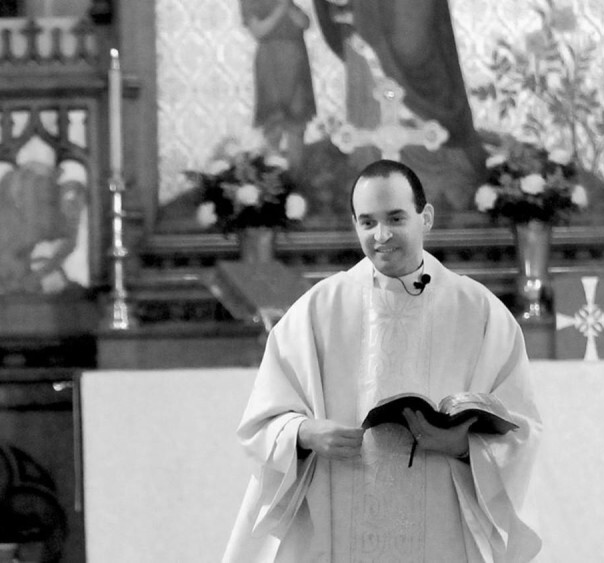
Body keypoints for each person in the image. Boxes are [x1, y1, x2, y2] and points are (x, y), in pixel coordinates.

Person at [223, 159, 541, 562]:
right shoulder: (319, 308)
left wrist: (463, 445)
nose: (382, 235)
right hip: (342, 511)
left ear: (426, 217)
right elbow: (261, 421)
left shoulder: (478, 311)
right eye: (368, 222)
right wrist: (306, 432)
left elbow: (522, 428)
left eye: (395, 218)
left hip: (442, 521)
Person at [312, 0, 489, 212]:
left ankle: (427, 181)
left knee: (413, 50)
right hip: (363, 28)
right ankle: (373, 178)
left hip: (400, 14)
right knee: (371, 113)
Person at [241, 0, 316, 180]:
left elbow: (305, 23)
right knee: (272, 121)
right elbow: (259, 31)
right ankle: (273, 182)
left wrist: (287, 6)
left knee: (297, 122)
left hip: (296, 60)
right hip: (270, 62)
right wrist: (281, 8)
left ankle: (296, 180)